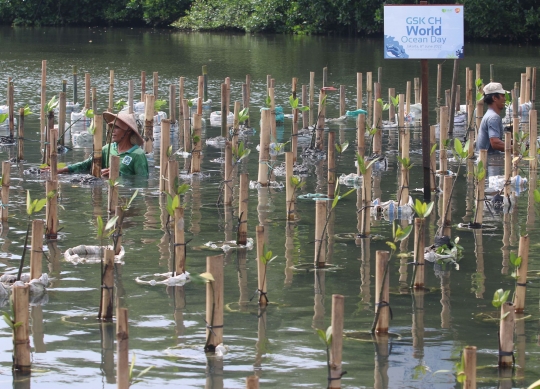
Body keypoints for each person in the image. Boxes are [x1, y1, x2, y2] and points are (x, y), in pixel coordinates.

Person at [58, 111, 149, 177]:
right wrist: (61, 170)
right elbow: (86, 165)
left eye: (116, 127)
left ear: (128, 131)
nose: (112, 131)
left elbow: (142, 181)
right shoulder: (107, 149)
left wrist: (119, 174)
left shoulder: (138, 154)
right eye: (111, 127)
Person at [476, 82, 507, 154]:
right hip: (489, 161)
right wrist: (517, 149)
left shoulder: (489, 114)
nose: (505, 99)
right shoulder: (494, 117)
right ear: (494, 98)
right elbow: (495, 143)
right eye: (503, 96)